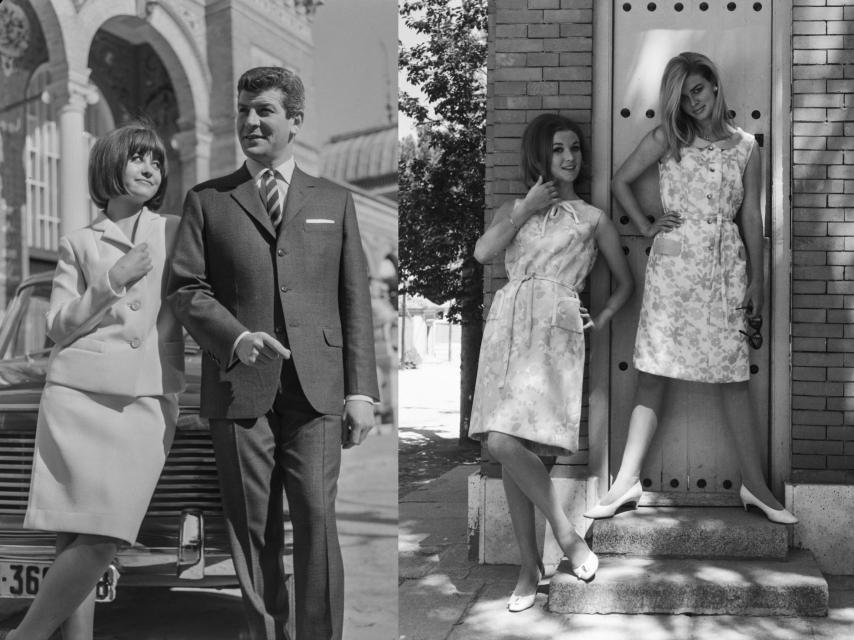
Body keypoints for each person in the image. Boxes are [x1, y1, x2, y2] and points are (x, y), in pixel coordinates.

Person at [167, 66, 378, 640]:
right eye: (243, 110)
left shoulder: (334, 200)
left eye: (263, 110)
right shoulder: (207, 201)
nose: (250, 120)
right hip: (240, 387)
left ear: (295, 121)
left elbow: (353, 297)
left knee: (316, 516)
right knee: (253, 528)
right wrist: (235, 337)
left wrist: (361, 391)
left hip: (318, 388)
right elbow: (185, 288)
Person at [584, 52, 797, 525]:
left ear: (715, 86)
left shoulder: (746, 146)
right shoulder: (668, 138)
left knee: (732, 375)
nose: (692, 102)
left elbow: (751, 218)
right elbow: (620, 181)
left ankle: (755, 486)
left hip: (726, 269)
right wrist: (646, 224)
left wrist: (757, 281)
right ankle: (626, 483)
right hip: (674, 270)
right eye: (682, 96)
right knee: (654, 372)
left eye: (698, 90)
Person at [6, 123, 184, 640]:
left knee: (106, 536)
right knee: (74, 539)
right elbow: (57, 324)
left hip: (146, 397)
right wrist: (113, 279)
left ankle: (24, 635)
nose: (150, 167)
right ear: (109, 165)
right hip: (76, 396)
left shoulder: (175, 229)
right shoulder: (78, 242)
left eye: (156, 160)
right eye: (137, 158)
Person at [468, 113, 634, 612]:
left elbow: (625, 282)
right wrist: (524, 209)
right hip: (507, 329)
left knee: (523, 451)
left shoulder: (593, 218)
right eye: (559, 149)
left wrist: (599, 319)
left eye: (575, 149)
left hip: (556, 333)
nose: (569, 157)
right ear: (541, 154)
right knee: (503, 443)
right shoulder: (511, 208)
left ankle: (539, 559)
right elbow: (483, 254)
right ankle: (549, 550)